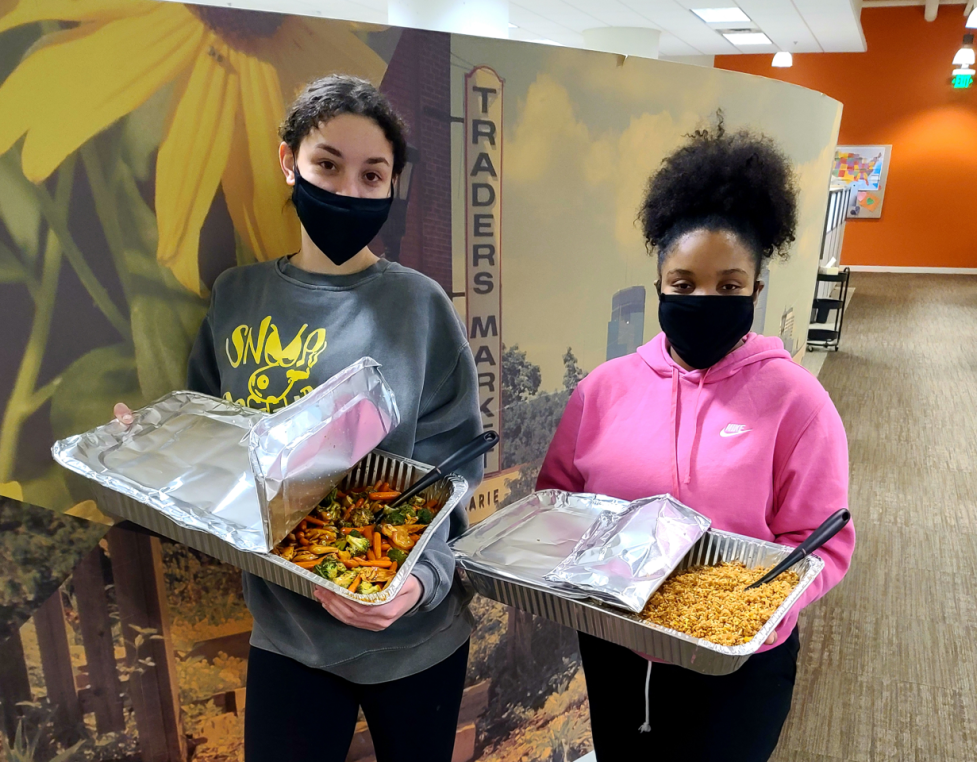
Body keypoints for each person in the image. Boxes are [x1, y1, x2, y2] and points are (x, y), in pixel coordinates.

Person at [114, 75, 482, 762]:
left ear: (392, 184)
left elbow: (454, 463)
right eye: (327, 165)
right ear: (289, 163)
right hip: (289, 634)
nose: (348, 190)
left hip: (414, 639)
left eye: (372, 174)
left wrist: (417, 583)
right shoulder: (237, 296)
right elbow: (210, 444)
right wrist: (146, 451)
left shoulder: (420, 306)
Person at [536, 120, 855, 761]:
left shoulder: (798, 403)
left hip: (737, 662)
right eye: (683, 284)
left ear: (756, 290)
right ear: (659, 283)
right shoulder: (602, 390)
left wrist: (742, 613)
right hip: (616, 647)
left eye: (729, 286)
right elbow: (556, 499)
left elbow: (824, 545)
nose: (704, 299)